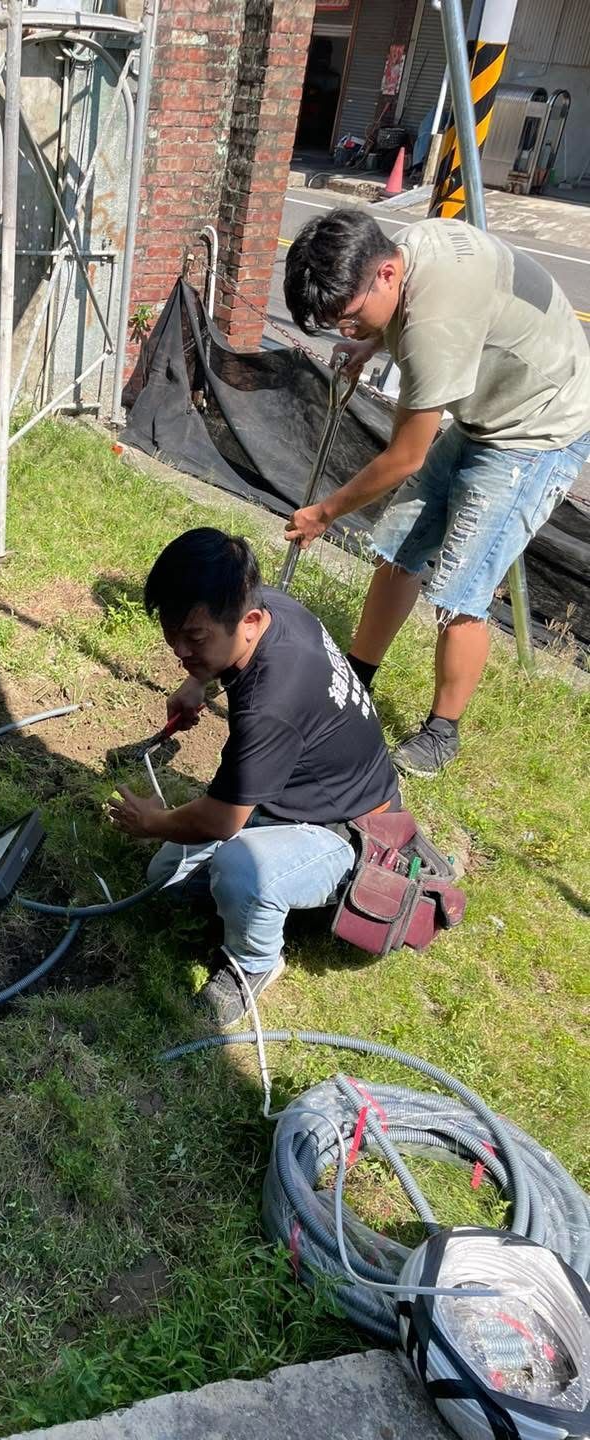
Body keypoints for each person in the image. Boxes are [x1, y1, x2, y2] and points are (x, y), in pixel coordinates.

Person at [282, 208, 590, 776]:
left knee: (461, 591)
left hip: (537, 428)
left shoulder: (432, 326)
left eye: (348, 321)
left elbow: (405, 456)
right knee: (400, 549)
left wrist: (323, 513)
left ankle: (442, 733)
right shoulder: (401, 249)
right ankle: (358, 681)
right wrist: (368, 343)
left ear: (386, 277)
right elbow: (393, 319)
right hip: (487, 410)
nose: (345, 333)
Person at [105, 528, 400, 1026]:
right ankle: (254, 892)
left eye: (195, 639)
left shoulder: (272, 703)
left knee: (242, 869)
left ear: (249, 621)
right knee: (167, 879)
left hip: (351, 830)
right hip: (300, 794)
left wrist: (153, 822)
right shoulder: (267, 605)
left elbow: (221, 821)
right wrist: (197, 679)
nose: (180, 650)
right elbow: (214, 650)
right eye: (173, 635)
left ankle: (255, 964)